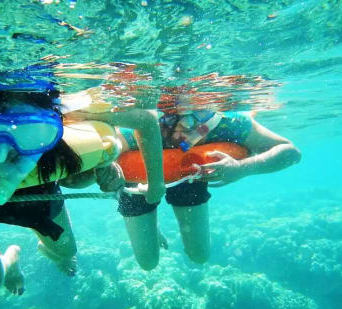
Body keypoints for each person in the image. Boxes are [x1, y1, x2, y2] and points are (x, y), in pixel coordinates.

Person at [0, 67, 164, 297]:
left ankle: (53, 254)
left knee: (67, 252)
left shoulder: (47, 110)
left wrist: (102, 165)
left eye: (23, 131)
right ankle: (9, 259)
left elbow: (143, 119)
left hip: (33, 188)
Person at [116, 98, 302, 271]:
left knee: (199, 254)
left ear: (211, 119)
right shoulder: (137, 127)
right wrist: (112, 177)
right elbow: (105, 160)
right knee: (147, 262)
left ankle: (149, 222)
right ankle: (150, 224)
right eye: (176, 124)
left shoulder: (231, 123)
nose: (183, 134)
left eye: (194, 128)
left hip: (190, 173)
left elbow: (291, 153)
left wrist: (241, 168)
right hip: (136, 182)